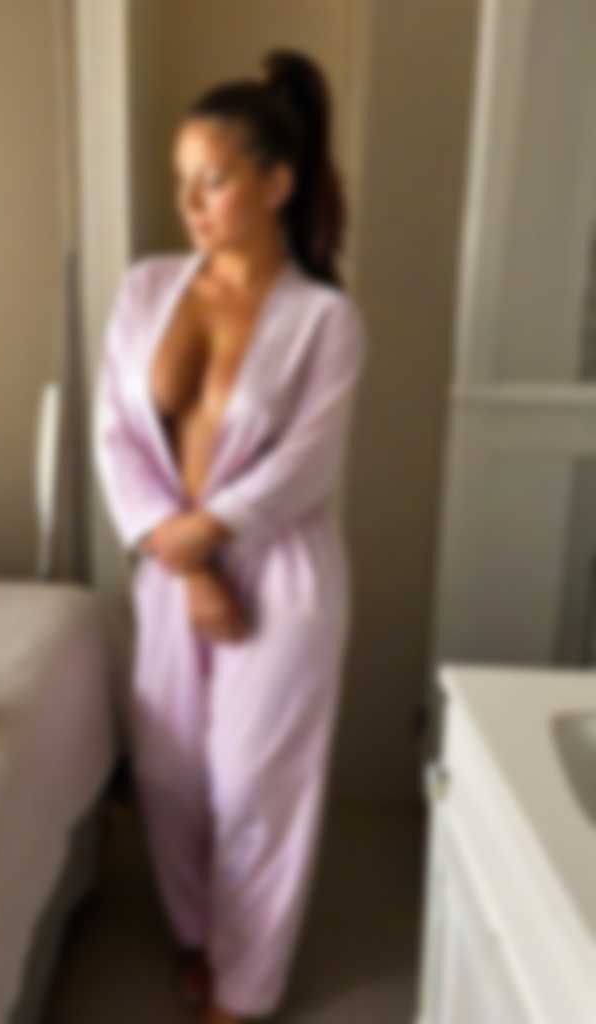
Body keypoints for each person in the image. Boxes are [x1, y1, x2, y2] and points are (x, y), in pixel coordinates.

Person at [93, 47, 367, 1024]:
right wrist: (181, 554)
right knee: (168, 773)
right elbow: (116, 434)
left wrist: (207, 538)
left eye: (212, 180)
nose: (190, 203)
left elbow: (307, 465)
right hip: (172, 565)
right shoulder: (147, 290)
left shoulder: (324, 320)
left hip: (280, 575)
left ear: (276, 184)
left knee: (255, 784)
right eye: (183, 181)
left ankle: (246, 989)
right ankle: (201, 934)